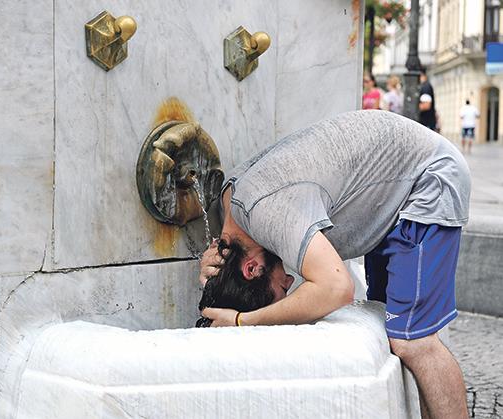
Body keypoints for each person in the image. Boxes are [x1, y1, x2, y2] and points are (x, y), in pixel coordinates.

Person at [198, 110, 470, 419]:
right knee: (392, 326)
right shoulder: (233, 205)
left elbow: (337, 288)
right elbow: (229, 252)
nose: (290, 281)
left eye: (280, 290)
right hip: (392, 186)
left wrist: (243, 321)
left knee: (413, 341)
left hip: (425, 180)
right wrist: (214, 270)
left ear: (251, 269)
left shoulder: (267, 211)